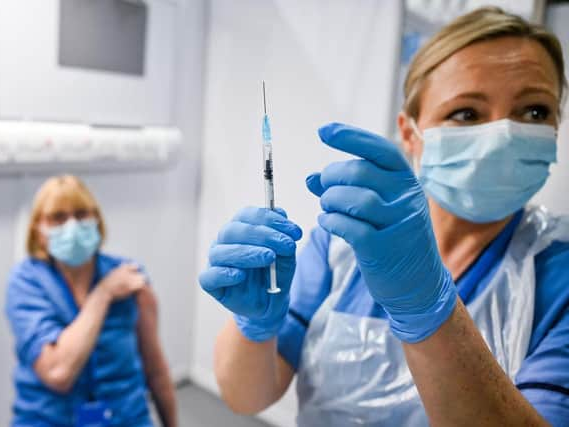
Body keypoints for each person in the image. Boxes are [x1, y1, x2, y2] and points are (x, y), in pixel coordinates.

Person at [200, 7, 569, 426]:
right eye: (466, 112)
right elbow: (247, 397)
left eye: (535, 112)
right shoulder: (344, 240)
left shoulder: (560, 276)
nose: (503, 134)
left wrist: (427, 308)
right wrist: (255, 327)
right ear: (411, 133)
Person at [6, 175, 176, 427]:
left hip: (125, 417)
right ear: (38, 231)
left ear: (97, 220)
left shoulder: (131, 278)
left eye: (82, 213)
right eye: (58, 218)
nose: (72, 225)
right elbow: (58, 373)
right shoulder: (26, 282)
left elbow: (157, 371)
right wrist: (103, 294)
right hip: (49, 419)